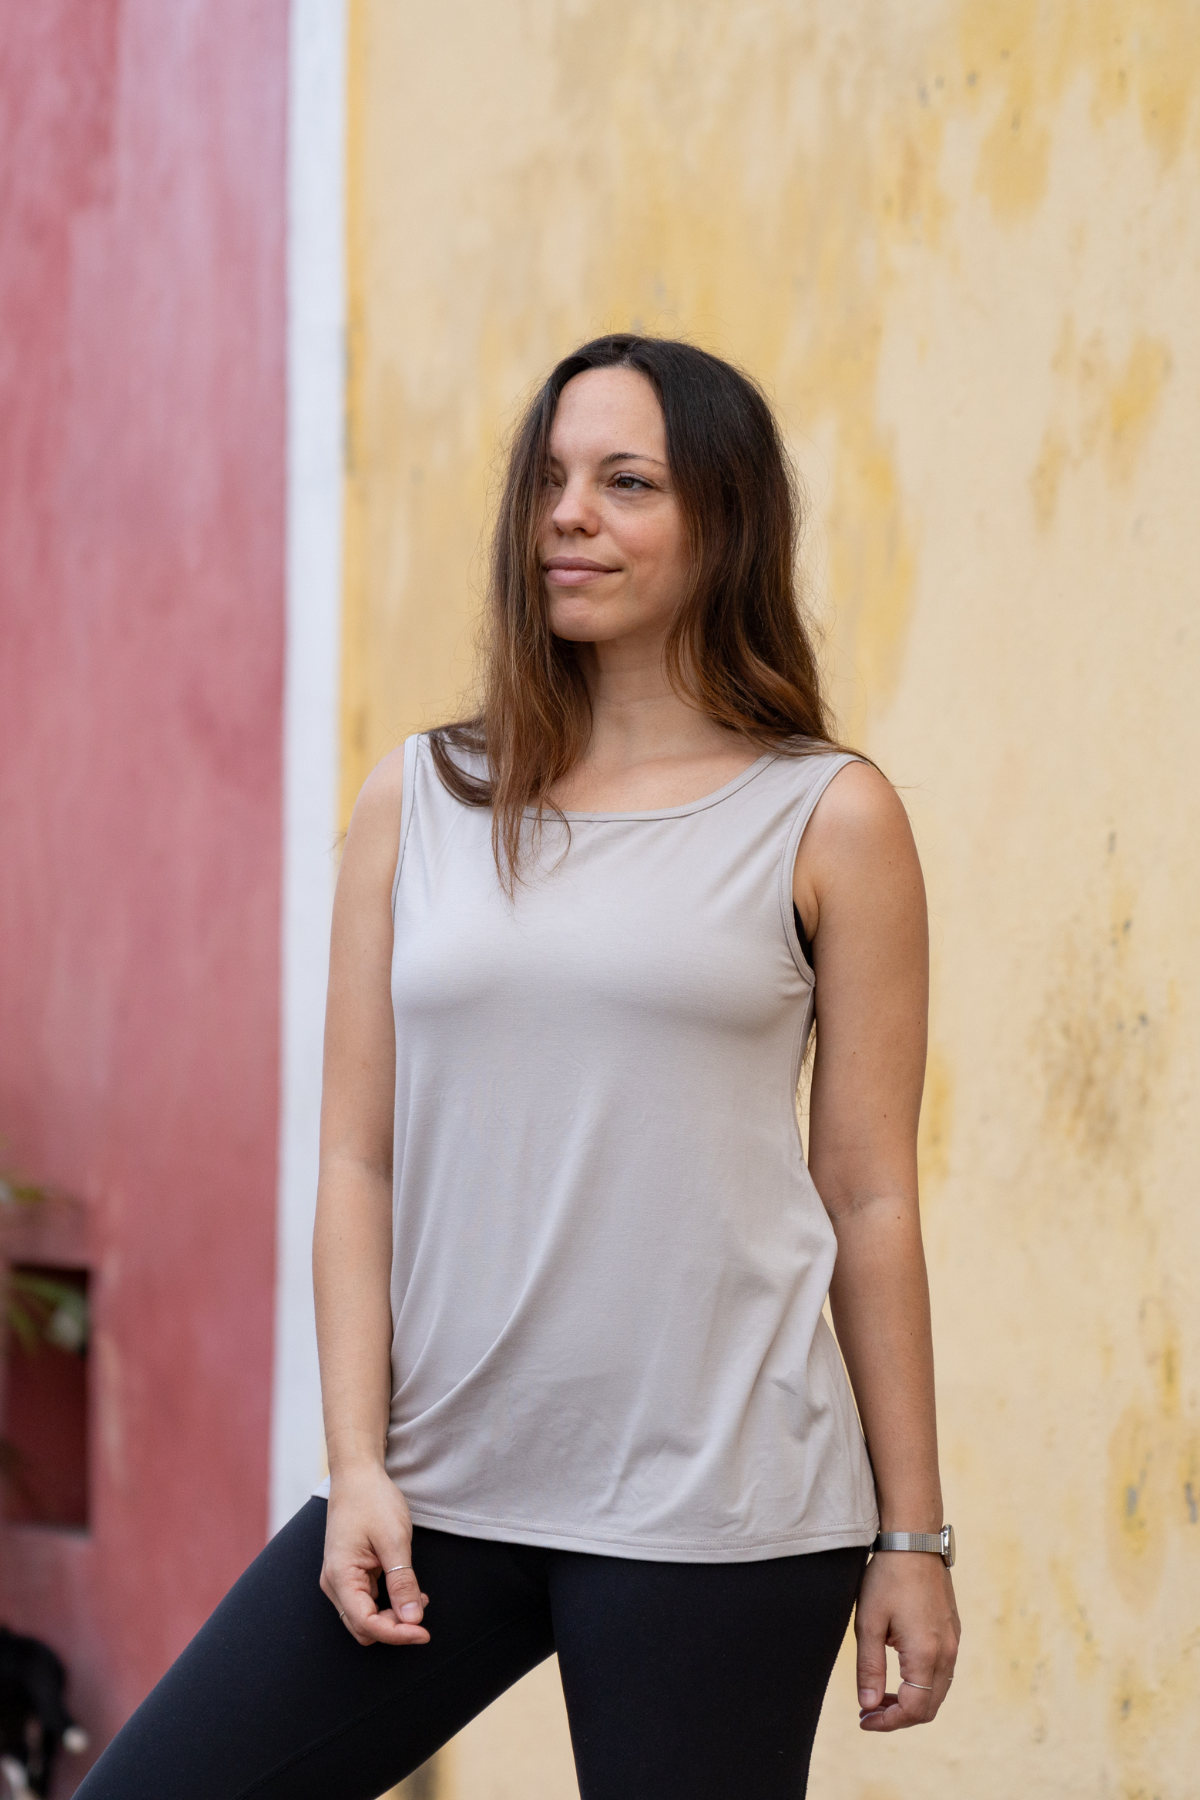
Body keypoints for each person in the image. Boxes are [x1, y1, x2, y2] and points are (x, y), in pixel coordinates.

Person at [77, 336, 960, 1800]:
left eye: (627, 482)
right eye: (550, 481)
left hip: (723, 1502)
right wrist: (358, 1463)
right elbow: (358, 1159)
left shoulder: (828, 817)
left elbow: (867, 1194)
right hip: (444, 1488)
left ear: (724, 521)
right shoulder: (419, 799)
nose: (569, 514)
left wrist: (912, 1537)